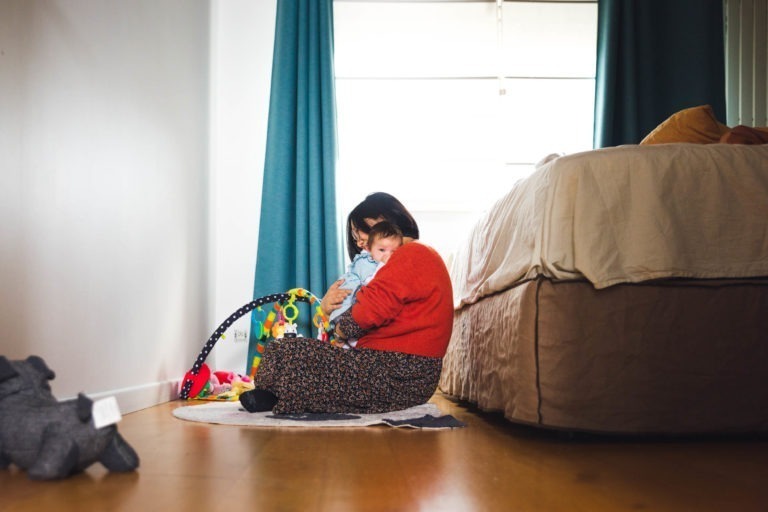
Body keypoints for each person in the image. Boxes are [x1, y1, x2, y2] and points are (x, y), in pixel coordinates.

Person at [239, 192, 453, 414]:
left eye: (358, 232)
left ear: (381, 222)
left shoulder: (412, 254)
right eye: (355, 237)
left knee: (290, 352)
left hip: (401, 373)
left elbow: (369, 312)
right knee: (282, 350)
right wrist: (328, 310)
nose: (359, 242)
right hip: (393, 367)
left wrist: (340, 330)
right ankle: (273, 395)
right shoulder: (408, 257)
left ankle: (278, 395)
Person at [328, 220, 404, 349]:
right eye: (382, 250)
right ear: (369, 249)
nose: (388, 256)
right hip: (347, 308)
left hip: (359, 323)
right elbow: (370, 285)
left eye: (394, 252)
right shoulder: (366, 263)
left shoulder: (394, 268)